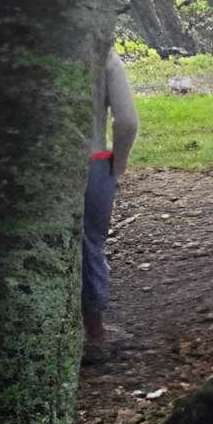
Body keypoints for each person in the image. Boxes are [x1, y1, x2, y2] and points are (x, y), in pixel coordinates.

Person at [82, 37, 138, 366]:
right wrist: (116, 167)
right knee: (90, 248)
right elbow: (127, 121)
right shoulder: (102, 53)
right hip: (92, 162)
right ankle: (95, 333)